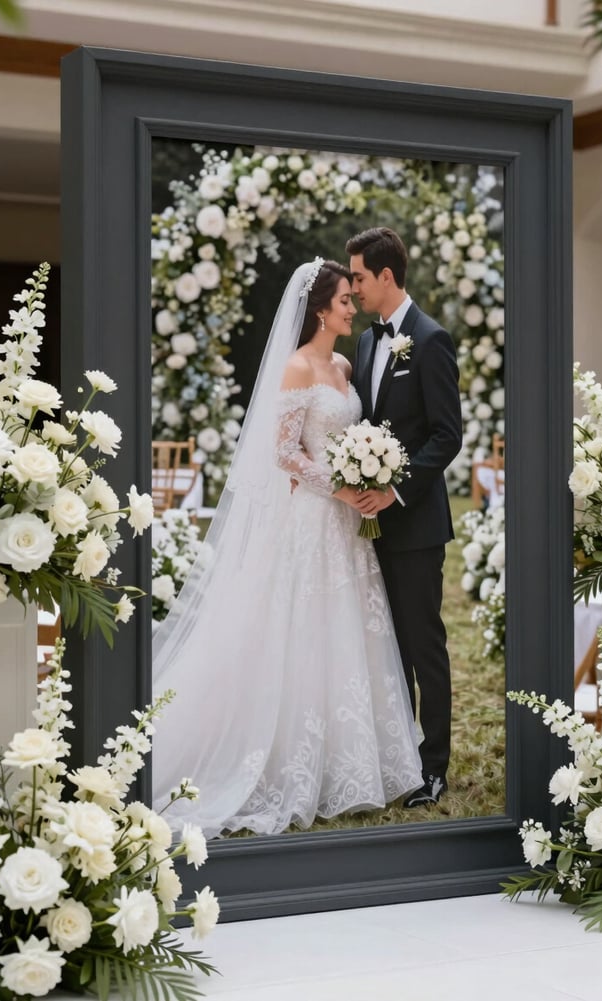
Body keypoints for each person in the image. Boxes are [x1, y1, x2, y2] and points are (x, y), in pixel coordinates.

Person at [152, 258, 422, 838]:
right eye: (346, 300)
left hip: (350, 526)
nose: (353, 307)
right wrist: (342, 486)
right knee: (304, 631)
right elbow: (284, 454)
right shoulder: (297, 367)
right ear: (320, 308)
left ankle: (357, 763)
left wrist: (368, 476)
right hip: (313, 521)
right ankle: (290, 764)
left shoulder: (345, 365)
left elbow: (352, 434)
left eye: (354, 297)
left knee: (351, 630)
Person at [346, 227, 462, 807]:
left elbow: (447, 436)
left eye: (361, 278)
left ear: (387, 276)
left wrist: (396, 491)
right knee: (385, 647)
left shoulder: (431, 340)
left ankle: (434, 766)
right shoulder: (367, 344)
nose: (355, 288)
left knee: (423, 644)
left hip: (414, 525)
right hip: (367, 527)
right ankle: (397, 758)